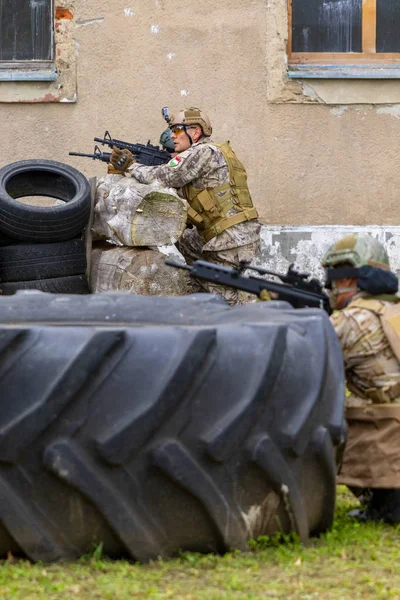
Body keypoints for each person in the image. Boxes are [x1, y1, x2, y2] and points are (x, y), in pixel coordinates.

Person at [109, 107, 261, 305]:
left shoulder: (203, 151)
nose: (173, 136)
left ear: (195, 132)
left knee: (232, 298)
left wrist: (130, 166)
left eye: (177, 130)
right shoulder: (214, 153)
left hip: (230, 239)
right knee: (188, 246)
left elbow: (165, 177)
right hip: (227, 235)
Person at [322, 233, 400, 523]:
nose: (332, 286)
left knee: (324, 413)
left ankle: (383, 498)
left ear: (351, 279)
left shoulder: (351, 320)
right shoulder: (393, 310)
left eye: (337, 277)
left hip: (390, 433)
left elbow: (309, 370)